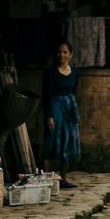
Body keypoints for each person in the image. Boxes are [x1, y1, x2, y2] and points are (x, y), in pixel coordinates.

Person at [43, 43, 80, 188]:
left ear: (70, 54)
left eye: (65, 52)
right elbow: (46, 95)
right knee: (51, 142)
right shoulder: (50, 72)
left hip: (70, 109)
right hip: (55, 108)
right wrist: (49, 116)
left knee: (69, 142)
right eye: (59, 52)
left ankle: (63, 178)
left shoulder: (75, 72)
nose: (62, 55)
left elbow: (74, 90)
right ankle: (46, 179)